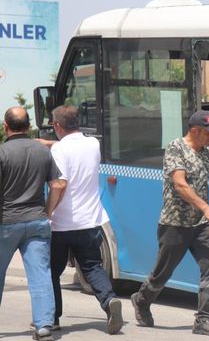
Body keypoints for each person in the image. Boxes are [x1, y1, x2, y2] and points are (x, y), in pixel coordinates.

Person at [131, 110, 209, 337]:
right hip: (175, 223)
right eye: (208, 133)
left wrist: (203, 212)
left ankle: (203, 320)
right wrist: (205, 207)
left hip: (201, 225)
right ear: (195, 130)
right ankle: (142, 300)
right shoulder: (176, 149)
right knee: (163, 272)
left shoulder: (206, 151)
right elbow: (180, 185)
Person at [44, 105, 124, 335]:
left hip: (62, 223)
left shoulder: (59, 150)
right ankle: (109, 301)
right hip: (91, 220)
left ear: (57, 126)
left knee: (51, 272)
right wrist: (49, 144)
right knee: (92, 266)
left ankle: (53, 317)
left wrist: (47, 213)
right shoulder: (92, 144)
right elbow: (74, 149)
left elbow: (60, 184)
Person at [0, 107, 66, 341]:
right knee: (40, 274)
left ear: (6, 126)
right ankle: (44, 326)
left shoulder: (2, 153)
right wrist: (47, 211)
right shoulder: (43, 152)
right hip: (37, 221)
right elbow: (58, 185)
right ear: (28, 127)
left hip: (6, 222)